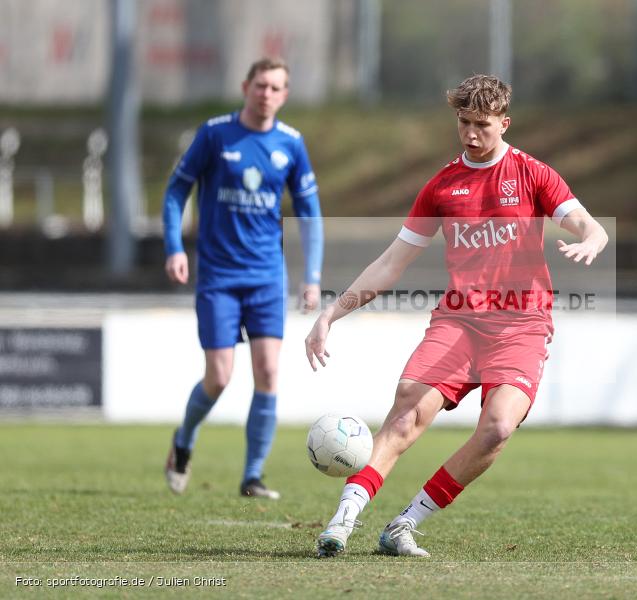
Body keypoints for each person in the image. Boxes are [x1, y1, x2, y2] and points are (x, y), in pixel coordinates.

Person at [305, 74, 608, 556]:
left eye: (482, 124)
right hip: (460, 322)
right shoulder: (442, 187)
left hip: (522, 325)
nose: (470, 133)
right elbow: (390, 263)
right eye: (463, 122)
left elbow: (584, 223)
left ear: (504, 123)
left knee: (498, 428)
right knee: (406, 413)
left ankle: (405, 524)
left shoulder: (533, 174)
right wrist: (330, 314)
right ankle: (343, 520)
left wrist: (593, 237)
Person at [162, 57, 324, 500]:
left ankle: (252, 476)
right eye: (260, 85)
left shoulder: (291, 143)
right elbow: (176, 191)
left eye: (275, 87)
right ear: (245, 86)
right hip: (218, 276)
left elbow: (310, 214)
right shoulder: (216, 133)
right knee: (219, 376)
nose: (266, 93)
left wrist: (312, 276)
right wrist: (175, 247)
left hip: (267, 277)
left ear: (284, 95)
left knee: (269, 370)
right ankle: (184, 440)